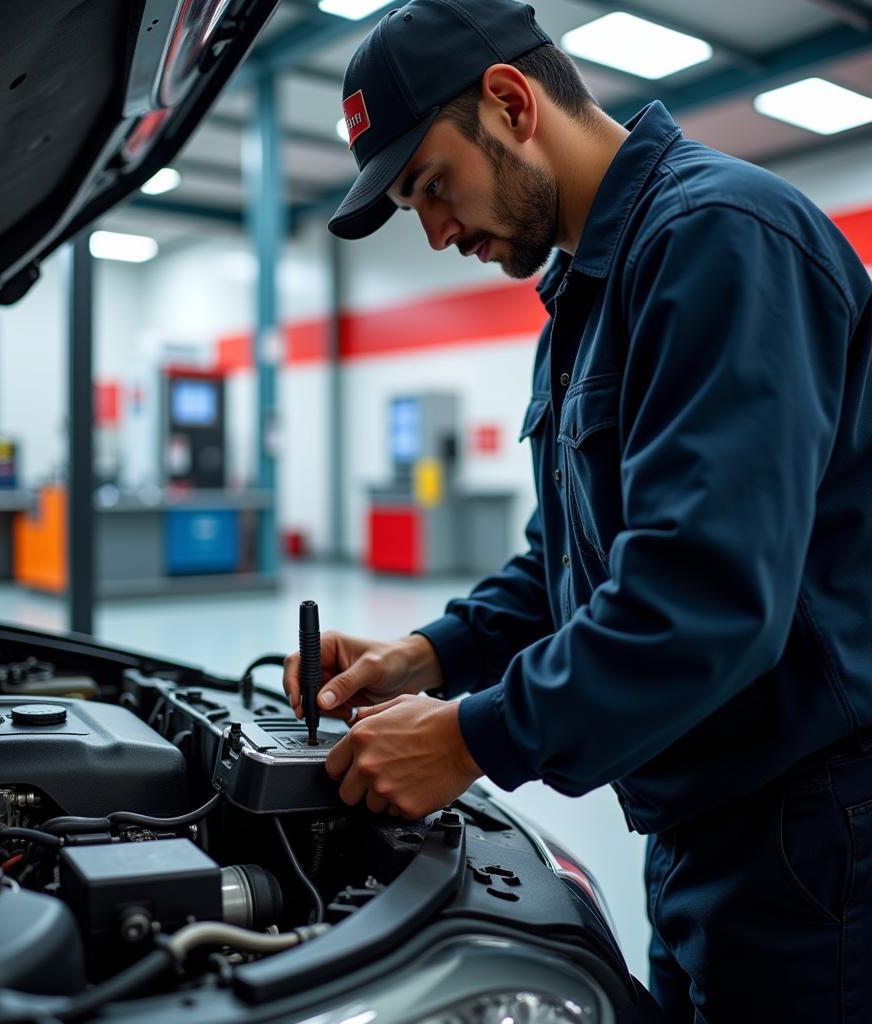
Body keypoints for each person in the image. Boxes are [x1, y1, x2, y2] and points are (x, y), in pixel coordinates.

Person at [282, 1, 872, 1020]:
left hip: (813, 831)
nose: (434, 232)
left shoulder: (718, 240)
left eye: (431, 186)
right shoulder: (584, 303)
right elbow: (566, 563)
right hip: (701, 820)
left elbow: (702, 600)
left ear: (511, 103)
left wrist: (469, 735)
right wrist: (424, 655)